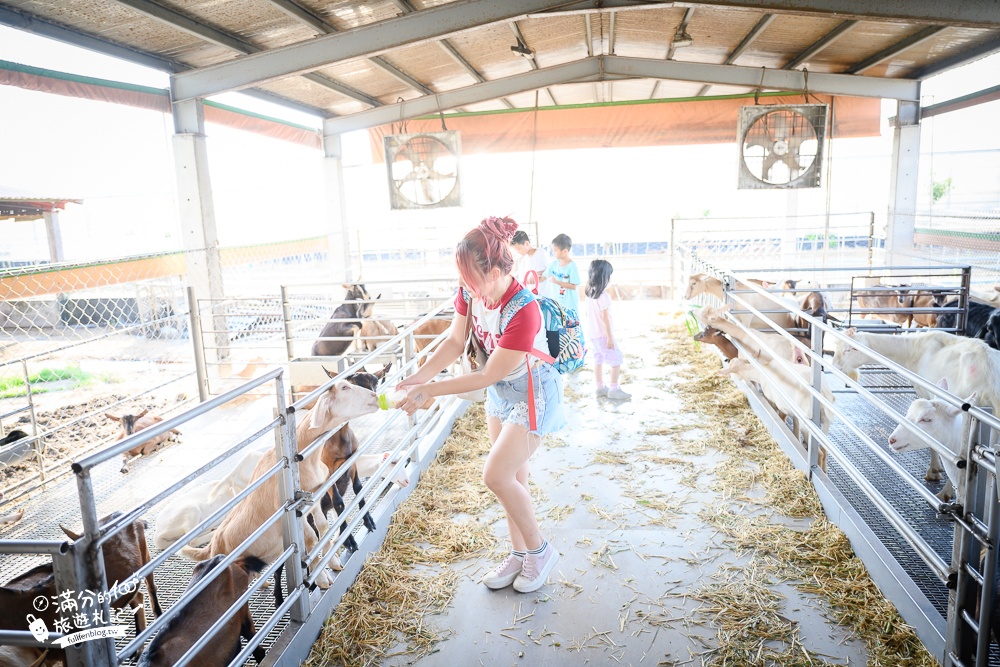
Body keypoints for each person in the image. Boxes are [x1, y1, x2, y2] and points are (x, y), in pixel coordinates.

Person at [395, 216, 565, 593]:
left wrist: (432, 391)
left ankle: (540, 550)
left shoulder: (524, 310)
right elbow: (455, 342)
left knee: (496, 475)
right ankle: (520, 555)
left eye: (472, 278)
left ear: (495, 269)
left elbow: (486, 374)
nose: (467, 288)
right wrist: (419, 378)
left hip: (533, 393)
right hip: (502, 394)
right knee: (513, 479)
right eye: (464, 280)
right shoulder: (470, 293)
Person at [585, 259, 631, 400]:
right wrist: (610, 337)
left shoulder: (589, 293)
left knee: (598, 360)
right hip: (604, 336)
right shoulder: (604, 296)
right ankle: (613, 389)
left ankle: (600, 388)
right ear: (604, 277)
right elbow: (606, 319)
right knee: (616, 361)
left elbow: (588, 314)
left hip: (593, 335)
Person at [543, 233, 580, 313]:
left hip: (570, 305)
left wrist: (557, 282)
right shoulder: (553, 264)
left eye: (555, 250)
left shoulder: (572, 266)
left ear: (565, 251)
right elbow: (543, 276)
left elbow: (573, 286)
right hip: (557, 304)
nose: (553, 253)